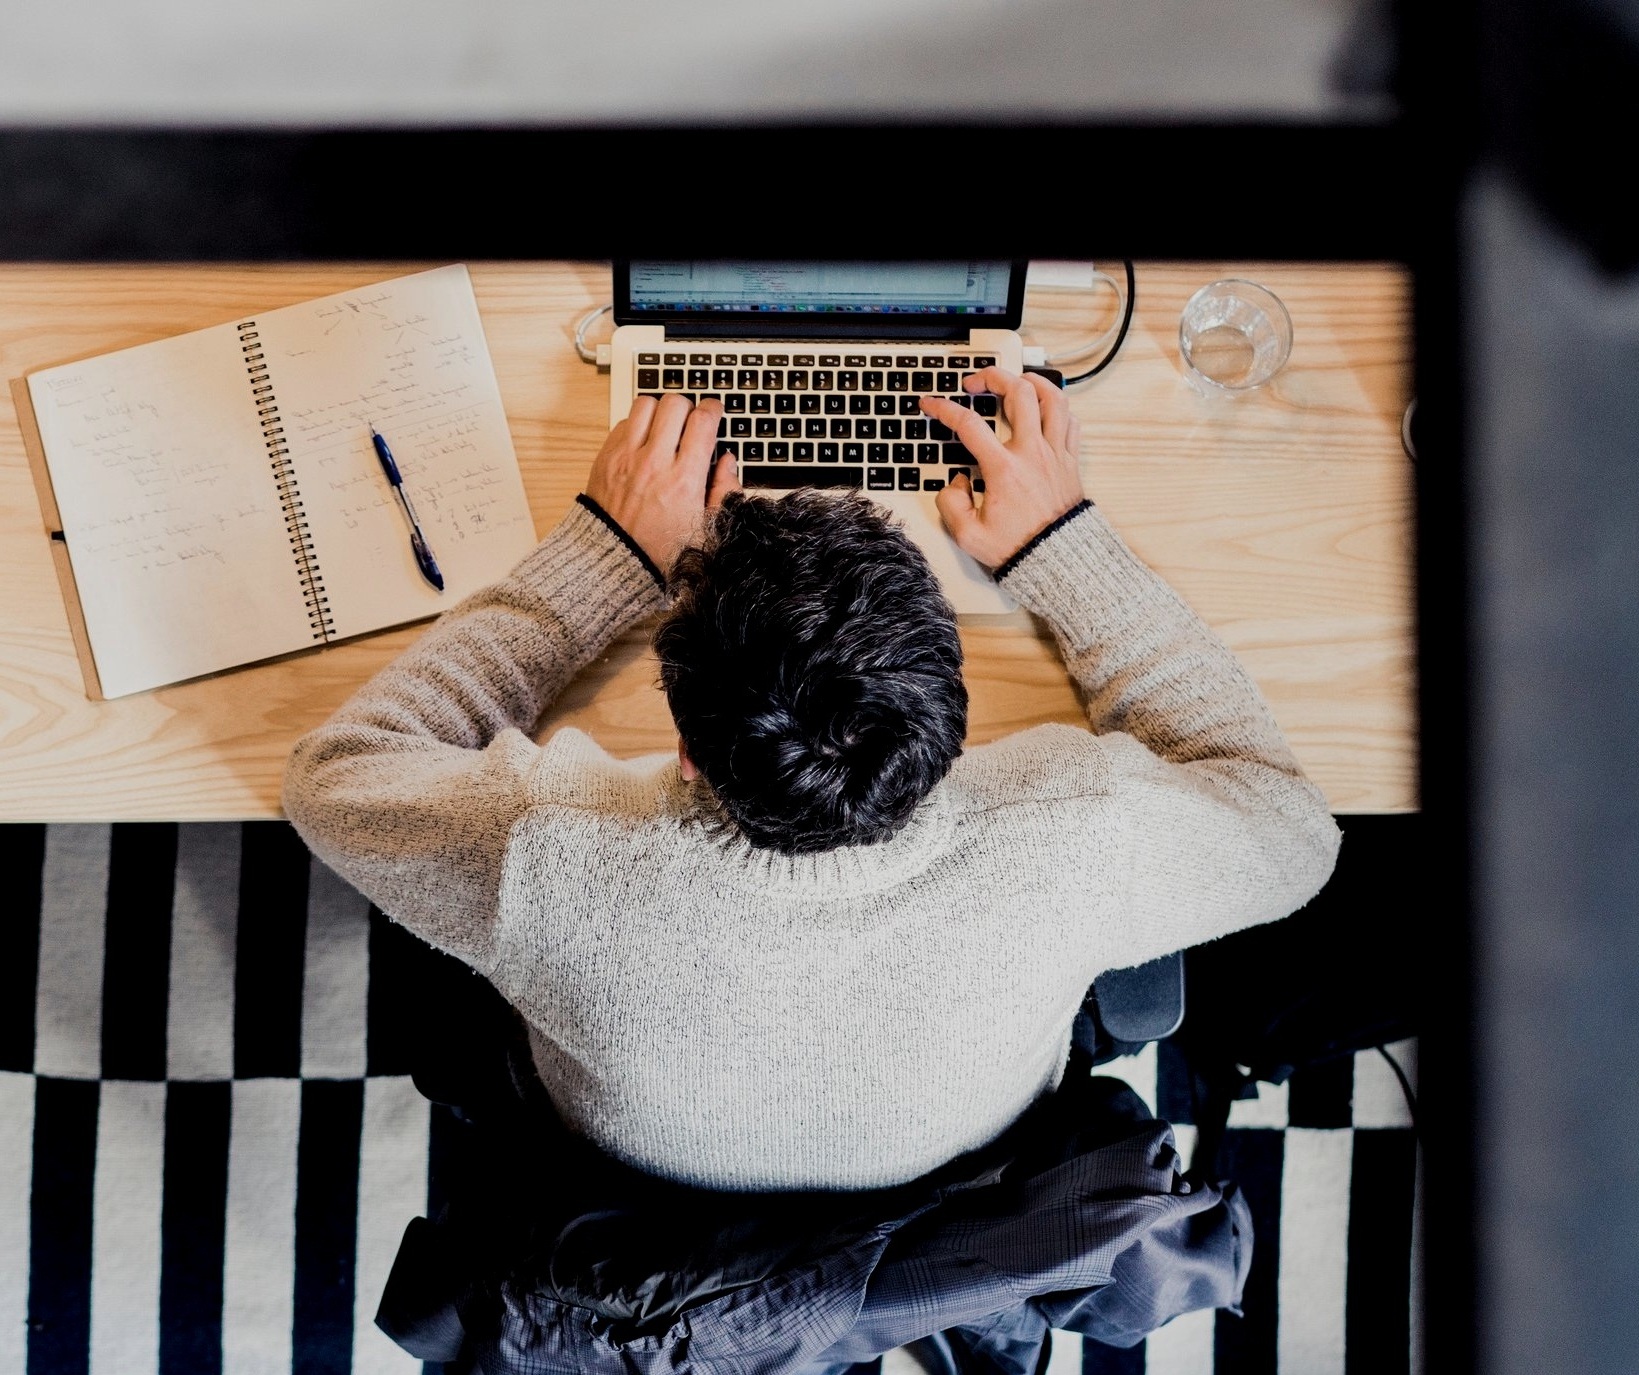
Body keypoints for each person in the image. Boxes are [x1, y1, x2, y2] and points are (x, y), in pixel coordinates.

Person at [283, 369, 1340, 1194]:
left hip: (641, 1198)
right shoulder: (1069, 833)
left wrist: (606, 555)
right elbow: (1287, 821)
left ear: (687, 752)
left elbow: (336, 773)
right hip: (961, 1183)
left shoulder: (549, 849)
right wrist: (1061, 547)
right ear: (948, 715)